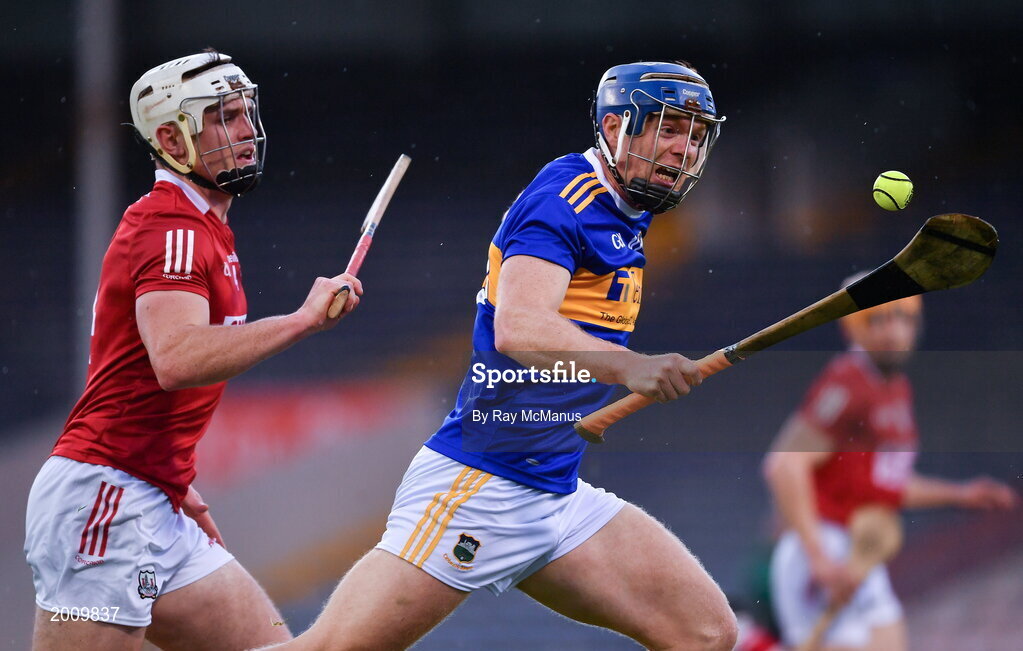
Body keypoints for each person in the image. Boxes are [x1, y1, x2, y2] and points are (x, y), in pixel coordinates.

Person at [266, 61, 738, 650]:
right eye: (669, 128)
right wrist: (632, 366)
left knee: (706, 633)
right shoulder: (565, 201)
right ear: (616, 126)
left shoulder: (628, 211)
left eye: (696, 135)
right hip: (482, 485)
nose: (684, 149)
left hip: (556, 493)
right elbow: (519, 327)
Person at [24, 51, 363, 651]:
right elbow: (176, 359)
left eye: (246, 112)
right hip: (107, 499)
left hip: (151, 493)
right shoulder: (173, 227)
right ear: (169, 139)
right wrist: (301, 322)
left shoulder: (202, 225)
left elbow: (134, 370)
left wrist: (171, 478)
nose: (246, 130)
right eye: (224, 117)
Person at [762, 276, 1018, 651]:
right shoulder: (847, 383)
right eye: (877, 320)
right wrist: (818, 557)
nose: (892, 331)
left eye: (902, 318)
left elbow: (884, 483)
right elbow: (785, 466)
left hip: (857, 554)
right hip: (825, 548)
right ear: (852, 328)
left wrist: (960, 494)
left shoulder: (894, 388)